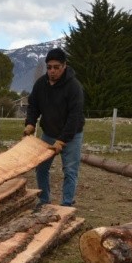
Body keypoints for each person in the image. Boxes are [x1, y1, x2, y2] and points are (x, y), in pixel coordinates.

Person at [23, 47, 85, 207]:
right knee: (41, 168)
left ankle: (67, 205)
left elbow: (74, 117)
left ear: (64, 66)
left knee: (70, 171)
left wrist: (62, 141)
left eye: (56, 67)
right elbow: (33, 105)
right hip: (49, 133)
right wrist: (30, 123)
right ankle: (44, 201)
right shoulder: (40, 84)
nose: (52, 71)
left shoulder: (74, 87)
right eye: (49, 67)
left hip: (71, 135)